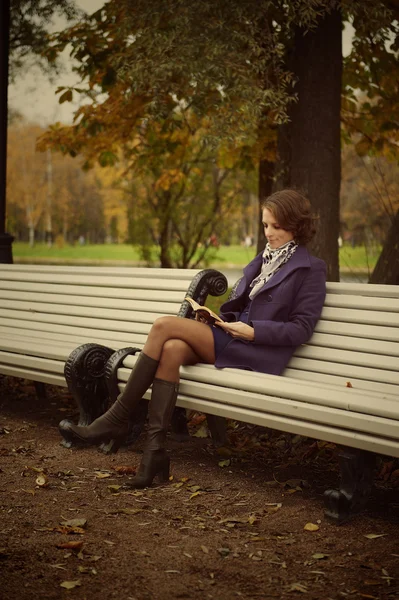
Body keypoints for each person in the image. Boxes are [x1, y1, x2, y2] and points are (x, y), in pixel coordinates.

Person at [60, 189, 327, 489]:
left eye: (276, 226)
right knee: (172, 349)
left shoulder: (310, 268)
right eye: (265, 225)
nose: (269, 233)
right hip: (234, 338)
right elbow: (242, 308)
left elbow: (301, 328)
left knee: (163, 327)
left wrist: (253, 331)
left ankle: (116, 417)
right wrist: (219, 321)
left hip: (257, 350)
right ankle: (154, 454)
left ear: (296, 225)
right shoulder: (264, 260)